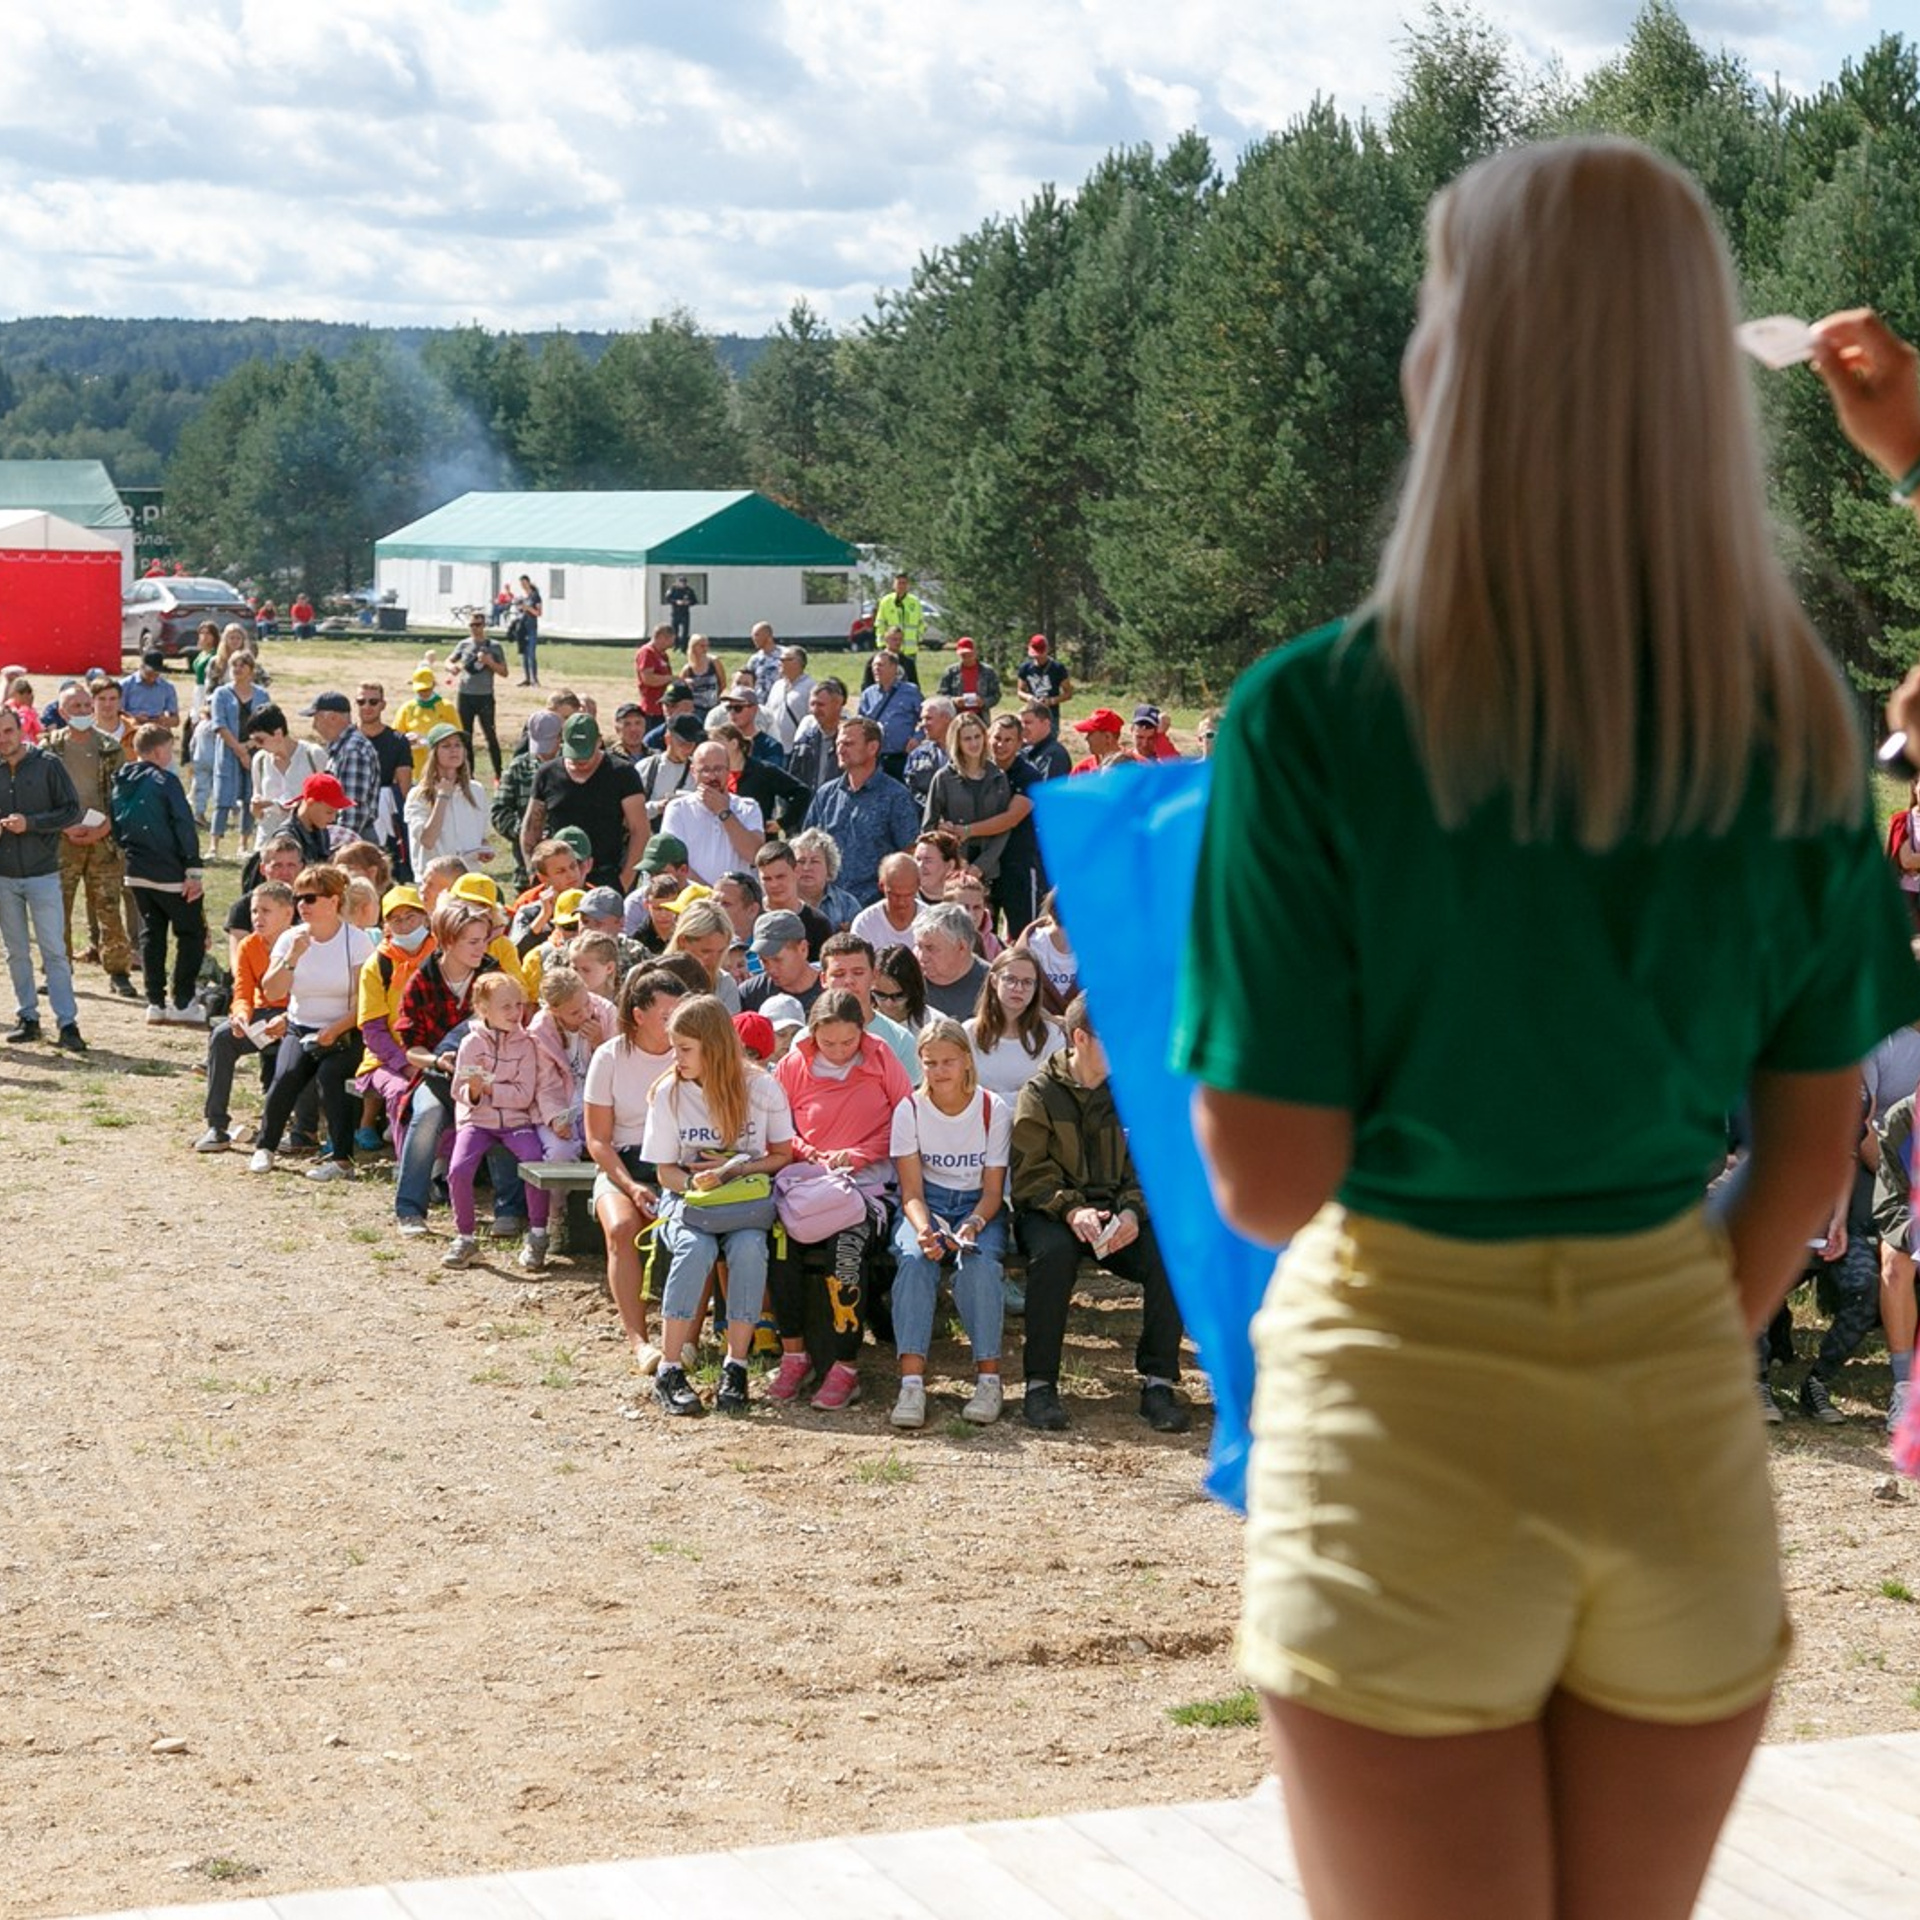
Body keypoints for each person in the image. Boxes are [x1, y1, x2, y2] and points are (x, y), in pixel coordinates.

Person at [1176, 141, 1920, 1920]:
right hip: (1677, 1416)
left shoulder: (1311, 717)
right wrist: (1658, 1328)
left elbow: (1268, 1178)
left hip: (1401, 1413)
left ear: (1463, 363)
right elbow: (1812, 1147)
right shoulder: (1794, 719)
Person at [1011, 992, 1190, 1435]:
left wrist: (1130, 1212)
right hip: (1053, 1213)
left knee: (1171, 1255)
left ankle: (1158, 1383)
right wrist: (1072, 1211)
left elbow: (1148, 1169)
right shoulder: (1040, 1093)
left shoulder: (1134, 1091)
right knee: (1053, 1256)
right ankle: (1040, 1385)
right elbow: (1031, 1176)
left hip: (1115, 1213)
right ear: (1080, 1038)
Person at [642, 993, 796, 1415]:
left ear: (713, 1047)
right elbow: (664, 1171)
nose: (676, 1058)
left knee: (748, 1248)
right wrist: (695, 1180)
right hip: (691, 1200)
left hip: (743, 1201)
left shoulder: (761, 1087)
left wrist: (734, 1170)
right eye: (675, 1047)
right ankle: (669, 1368)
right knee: (695, 1249)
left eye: (685, 1049)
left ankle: (736, 1364)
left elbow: (783, 1154)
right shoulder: (670, 1092)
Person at [767, 989, 913, 1410]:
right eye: (828, 1042)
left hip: (868, 1189)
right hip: (807, 1185)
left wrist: (859, 1154)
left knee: (846, 1251)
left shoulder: (882, 1057)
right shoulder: (793, 1065)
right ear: (812, 1033)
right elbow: (778, 1127)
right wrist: (809, 1151)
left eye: (848, 1042)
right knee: (779, 1246)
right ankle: (794, 1355)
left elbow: (906, 1119)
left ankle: (846, 1366)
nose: (838, 1050)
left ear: (862, 1032)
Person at [887, 1017, 1011, 1429]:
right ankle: (911, 1383)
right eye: (930, 1063)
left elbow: (993, 1191)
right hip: (929, 1202)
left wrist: (973, 1224)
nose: (939, 1071)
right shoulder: (909, 1109)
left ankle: (989, 1379)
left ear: (966, 1062)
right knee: (913, 1260)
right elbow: (911, 1192)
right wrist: (925, 1230)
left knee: (980, 1265)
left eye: (948, 1062)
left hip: (978, 1205)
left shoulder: (992, 1109)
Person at [585, 965, 691, 1371]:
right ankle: (639, 1340)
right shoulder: (610, 1056)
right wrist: (630, 1186)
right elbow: (598, 1140)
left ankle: (686, 1340)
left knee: (695, 1230)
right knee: (621, 1228)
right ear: (639, 1015)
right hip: (623, 1164)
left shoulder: (691, 1051)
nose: (674, 1024)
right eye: (666, 1016)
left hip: (680, 1161)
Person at [247, 864, 380, 1181]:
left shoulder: (356, 941)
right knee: (286, 1074)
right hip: (301, 1025)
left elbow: (364, 1001)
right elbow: (272, 991)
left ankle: (343, 1160)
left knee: (331, 1076)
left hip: (346, 1029)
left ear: (333, 901)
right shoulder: (290, 938)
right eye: (298, 898)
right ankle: (265, 1146)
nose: (302, 906)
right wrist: (292, 957)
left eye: (310, 898)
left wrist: (334, 1030)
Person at [442, 973, 569, 1272]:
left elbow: (524, 1095)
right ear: (483, 1009)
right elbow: (459, 1090)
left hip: (515, 1122)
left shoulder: (527, 1044)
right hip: (477, 1121)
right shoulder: (471, 1042)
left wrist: (488, 1089)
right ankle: (465, 1238)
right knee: (458, 1170)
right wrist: (474, 1092)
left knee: (534, 1162)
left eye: (519, 1005)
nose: (515, 1013)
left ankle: (538, 1235)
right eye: (506, 1007)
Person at [110, 723, 208, 1026]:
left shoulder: (121, 778)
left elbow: (116, 825)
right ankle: (183, 1001)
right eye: (169, 748)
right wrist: (193, 868)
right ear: (157, 751)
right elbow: (182, 823)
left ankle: (155, 1001)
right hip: (170, 871)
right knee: (191, 934)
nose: (172, 754)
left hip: (137, 870)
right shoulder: (165, 781)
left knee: (152, 935)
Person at [0, 705, 84, 1050]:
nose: (3, 739)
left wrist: (31, 824)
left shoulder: (48, 764)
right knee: (16, 952)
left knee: (54, 951)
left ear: (21, 730)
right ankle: (28, 1017)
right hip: (4, 877)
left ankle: (68, 1024)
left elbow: (71, 810)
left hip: (43, 874)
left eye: (8, 731)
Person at [44, 682, 136, 997]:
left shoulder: (110, 747)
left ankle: (119, 971)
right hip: (61, 841)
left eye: (86, 705)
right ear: (62, 711)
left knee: (108, 906)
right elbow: (40, 796)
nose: (83, 711)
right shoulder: (48, 749)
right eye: (76, 707)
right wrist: (64, 826)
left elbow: (123, 796)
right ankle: (57, 971)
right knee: (57, 909)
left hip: (103, 841)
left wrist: (105, 827)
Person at [196, 879, 295, 1151]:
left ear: (288, 913)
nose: (257, 917)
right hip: (262, 1014)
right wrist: (240, 1015)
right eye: (254, 911)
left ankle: (302, 1130)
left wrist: (287, 1018)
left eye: (266, 911)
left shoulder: (300, 943)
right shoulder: (249, 946)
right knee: (222, 1037)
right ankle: (216, 1126)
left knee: (301, 1043)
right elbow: (242, 992)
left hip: (294, 1016)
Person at [520, 713, 651, 893]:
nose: (580, 761)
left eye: (586, 754)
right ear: (563, 742)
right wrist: (535, 875)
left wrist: (625, 880)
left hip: (607, 874)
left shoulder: (623, 773)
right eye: (575, 754)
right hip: (559, 877)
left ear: (599, 742)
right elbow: (531, 829)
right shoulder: (547, 774)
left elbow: (640, 830)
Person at [800, 717, 920, 907]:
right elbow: (806, 845)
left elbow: (908, 851)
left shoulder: (895, 796)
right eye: (838, 744)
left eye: (848, 744)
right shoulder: (826, 794)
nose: (840, 750)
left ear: (872, 748)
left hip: (874, 905)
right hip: (827, 905)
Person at [819, 931, 921, 1084]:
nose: (849, 981)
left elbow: (910, 1095)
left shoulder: (902, 1041)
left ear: (874, 976)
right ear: (823, 979)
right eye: (839, 974)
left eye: (858, 972)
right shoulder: (805, 1041)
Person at [658, 740, 764, 886]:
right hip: (693, 896)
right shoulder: (678, 809)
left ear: (728, 770)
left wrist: (724, 812)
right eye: (705, 770)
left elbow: (754, 855)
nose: (712, 777)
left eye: (718, 769)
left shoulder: (748, 807)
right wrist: (709, 893)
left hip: (739, 897)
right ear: (693, 772)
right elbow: (674, 863)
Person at [923, 710, 1010, 885]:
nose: (974, 743)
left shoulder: (998, 777)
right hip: (953, 872)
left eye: (977, 737)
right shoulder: (944, 778)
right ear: (957, 742)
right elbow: (928, 827)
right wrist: (957, 861)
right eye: (967, 739)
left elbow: (1004, 827)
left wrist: (980, 866)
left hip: (990, 871)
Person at [968, 945, 1063, 1100]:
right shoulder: (968, 1032)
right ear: (994, 981)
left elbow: (1052, 1091)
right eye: (1010, 979)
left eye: (1027, 982)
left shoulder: (1052, 1035)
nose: (1018, 988)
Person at [985, 713, 1046, 934]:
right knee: (982, 934)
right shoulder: (980, 772)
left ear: (1020, 742)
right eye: (997, 738)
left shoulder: (1029, 776)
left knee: (1025, 933)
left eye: (1008, 740)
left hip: (1018, 864)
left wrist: (967, 830)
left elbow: (1010, 819)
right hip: (985, 864)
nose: (1001, 745)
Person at [492, 710, 563, 890]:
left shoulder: (570, 766)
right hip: (527, 869)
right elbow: (499, 812)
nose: (544, 752)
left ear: (560, 737)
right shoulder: (518, 768)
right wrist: (525, 831)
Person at [405, 725, 492, 870]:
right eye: (446, 746)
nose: (454, 750)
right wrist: (442, 797)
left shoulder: (476, 790)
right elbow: (427, 841)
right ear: (434, 753)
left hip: (469, 875)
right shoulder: (419, 795)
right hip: (435, 877)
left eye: (458, 745)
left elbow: (481, 837)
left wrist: (484, 850)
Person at [208, 651, 270, 852]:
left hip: (254, 751)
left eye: (242, 665)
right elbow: (219, 724)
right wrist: (239, 750)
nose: (237, 669)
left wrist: (250, 746)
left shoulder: (262, 695)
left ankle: (243, 843)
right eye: (234, 665)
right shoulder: (221, 693)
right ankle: (214, 844)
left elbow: (266, 724)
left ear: (251, 670)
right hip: (228, 751)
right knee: (223, 796)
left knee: (250, 796)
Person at [301, 692, 380, 842]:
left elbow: (352, 812)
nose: (314, 726)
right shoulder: (344, 747)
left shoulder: (352, 750)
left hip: (352, 841)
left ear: (333, 718)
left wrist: (335, 847)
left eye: (316, 719)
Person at [448, 614, 508, 779]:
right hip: (465, 695)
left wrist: (489, 662)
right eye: (472, 625)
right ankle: (469, 774)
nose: (475, 628)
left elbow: (504, 672)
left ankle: (498, 773)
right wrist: (451, 667)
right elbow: (449, 661)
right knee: (466, 735)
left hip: (485, 696)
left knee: (490, 735)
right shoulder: (464, 644)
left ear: (484, 625)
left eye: (478, 625)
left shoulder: (494, 646)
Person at [751, 841, 832, 958]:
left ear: (796, 871)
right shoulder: (750, 916)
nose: (774, 884)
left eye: (780, 876)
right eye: (767, 879)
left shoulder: (818, 924)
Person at [913, 902, 989, 1020]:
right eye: (919, 946)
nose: (922, 957)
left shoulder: (993, 985)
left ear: (961, 947)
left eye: (930, 948)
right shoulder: (907, 981)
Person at [741, 909, 822, 1015]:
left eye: (777, 960)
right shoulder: (750, 994)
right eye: (764, 960)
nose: (770, 969)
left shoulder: (832, 987)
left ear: (803, 949)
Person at [857, 650, 924, 779]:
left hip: (902, 758)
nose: (876, 669)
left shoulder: (910, 692)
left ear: (894, 668)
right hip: (875, 759)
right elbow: (860, 723)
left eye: (880, 665)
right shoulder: (868, 694)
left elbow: (926, 719)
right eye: (874, 666)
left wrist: (917, 738)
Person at [850, 851, 926, 954]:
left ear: (918, 885)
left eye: (908, 895)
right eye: (895, 895)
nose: (901, 902)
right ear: (881, 886)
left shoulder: (930, 922)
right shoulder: (864, 924)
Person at [789, 825, 862, 932]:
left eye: (814, 861)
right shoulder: (781, 899)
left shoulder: (847, 905)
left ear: (829, 868)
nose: (806, 868)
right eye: (801, 861)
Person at [786, 678, 847, 792]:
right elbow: (793, 780)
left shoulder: (850, 742)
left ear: (838, 704)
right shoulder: (805, 741)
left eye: (820, 704)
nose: (815, 710)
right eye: (812, 704)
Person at [1014, 635, 1071, 735]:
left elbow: (1068, 693)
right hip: (1031, 712)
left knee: (1049, 740)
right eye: (1035, 655)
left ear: (1047, 650)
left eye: (1040, 654)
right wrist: (1029, 698)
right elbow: (1020, 691)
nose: (1038, 657)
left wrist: (1051, 701)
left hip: (1051, 715)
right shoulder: (1025, 668)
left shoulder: (1058, 668)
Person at [765, 646, 815, 750]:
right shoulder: (777, 686)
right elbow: (767, 714)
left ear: (798, 663)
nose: (779, 662)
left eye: (783, 659)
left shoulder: (811, 687)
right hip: (774, 748)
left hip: (797, 749)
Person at [120, 650, 180, 735]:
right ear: (142, 667)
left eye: (156, 674)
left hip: (158, 732)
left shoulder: (167, 687)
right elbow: (117, 715)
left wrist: (165, 720)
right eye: (149, 674)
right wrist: (135, 718)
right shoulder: (125, 685)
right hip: (132, 730)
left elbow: (176, 720)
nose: (152, 678)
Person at [935, 637, 1001, 714]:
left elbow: (996, 695)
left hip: (980, 716)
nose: (966, 658)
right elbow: (941, 695)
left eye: (969, 654)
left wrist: (984, 702)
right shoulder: (951, 672)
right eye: (963, 655)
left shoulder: (988, 672)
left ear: (975, 652)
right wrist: (953, 701)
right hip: (955, 715)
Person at [872, 573, 926, 667]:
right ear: (894, 585)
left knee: (909, 673)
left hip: (910, 649)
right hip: (891, 649)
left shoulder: (914, 601)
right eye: (899, 583)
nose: (901, 586)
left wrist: (918, 638)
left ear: (908, 585)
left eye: (904, 583)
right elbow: (880, 623)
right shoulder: (886, 601)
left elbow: (921, 622)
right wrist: (881, 643)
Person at [1017, 700, 1073, 782]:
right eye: (1020, 723)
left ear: (1045, 723)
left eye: (1028, 722)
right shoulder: (1025, 750)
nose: (1022, 728)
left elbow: (1050, 789)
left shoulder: (1054, 756)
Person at [1067, 707, 1126, 773]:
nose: (1086, 738)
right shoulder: (1081, 770)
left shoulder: (1131, 767)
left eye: (1090, 733)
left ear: (1108, 737)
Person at [511, 575, 543, 685]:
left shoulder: (535, 596)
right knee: (523, 654)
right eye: (521, 584)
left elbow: (538, 613)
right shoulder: (524, 597)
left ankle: (534, 679)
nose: (523, 585)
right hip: (522, 628)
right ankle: (527, 678)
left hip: (531, 627)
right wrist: (520, 608)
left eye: (524, 583)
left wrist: (528, 608)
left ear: (529, 582)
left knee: (531, 654)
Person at [681, 632, 722, 715]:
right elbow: (680, 689)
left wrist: (716, 698)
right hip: (696, 709)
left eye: (707, 646)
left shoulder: (714, 662)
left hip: (713, 706)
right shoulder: (687, 669)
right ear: (693, 647)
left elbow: (722, 683)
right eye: (702, 646)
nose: (705, 649)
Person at [665, 578, 698, 649]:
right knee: (674, 631)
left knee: (685, 631)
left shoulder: (689, 590)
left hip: (685, 613)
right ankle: (675, 646)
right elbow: (668, 599)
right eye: (681, 583)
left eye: (684, 583)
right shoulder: (673, 589)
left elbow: (695, 601)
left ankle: (684, 647)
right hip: (675, 613)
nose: (683, 584)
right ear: (678, 583)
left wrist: (689, 602)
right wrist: (676, 602)